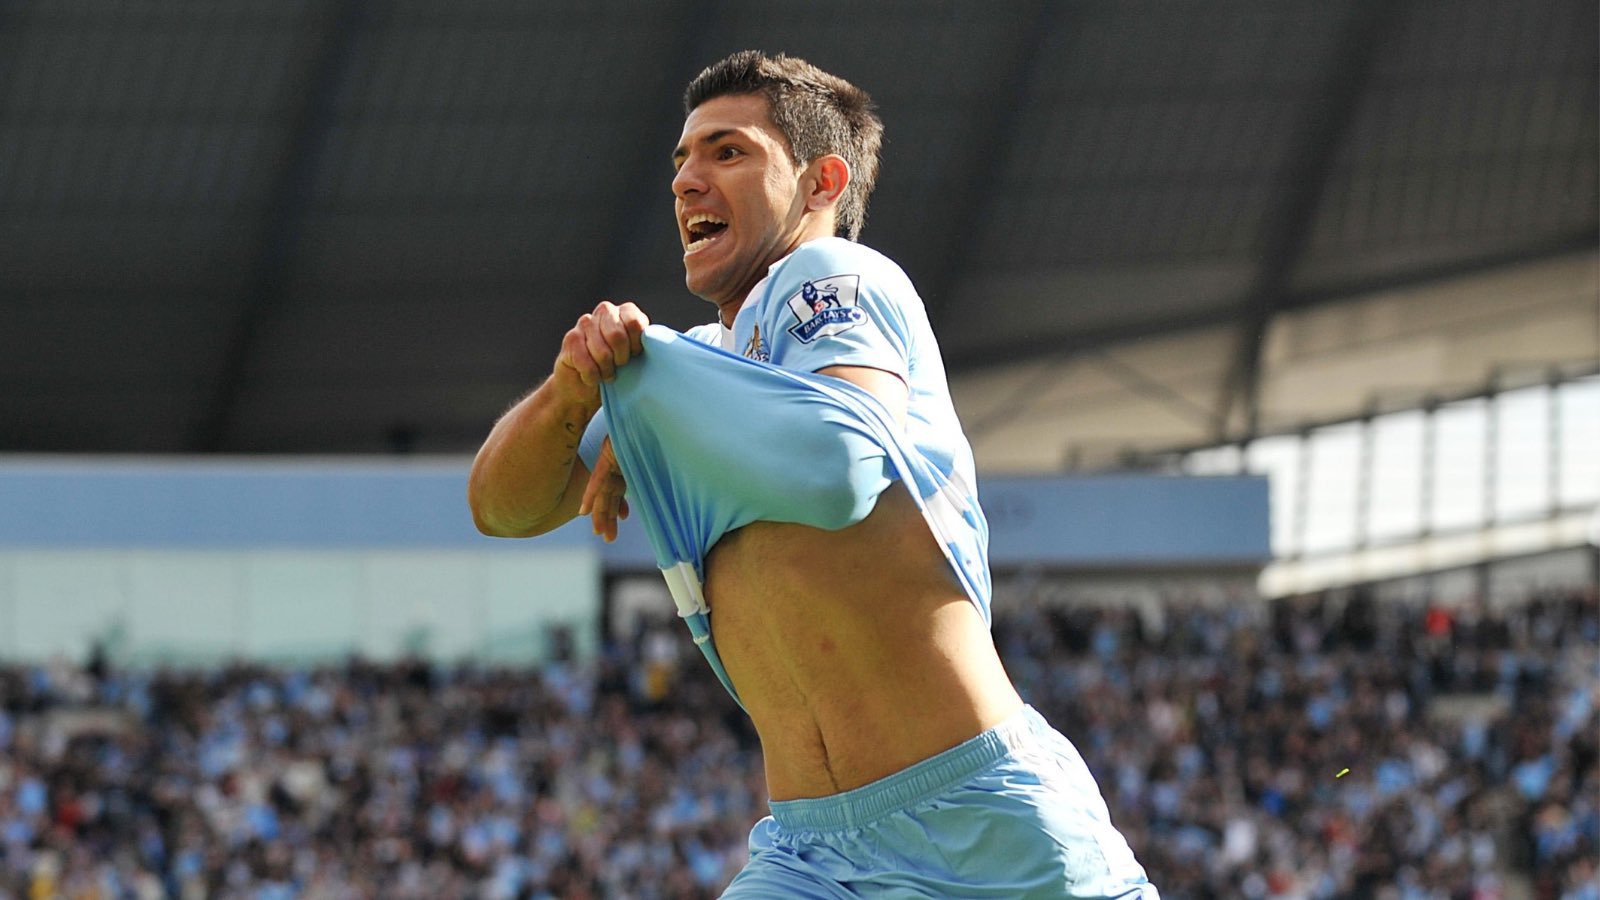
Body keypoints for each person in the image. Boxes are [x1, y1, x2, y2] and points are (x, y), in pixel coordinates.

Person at [469, 50, 1158, 898]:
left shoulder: (832, 276)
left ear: (821, 182)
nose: (685, 180)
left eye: (728, 151)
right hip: (811, 856)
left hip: (983, 826)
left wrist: (654, 380)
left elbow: (837, 470)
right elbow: (502, 508)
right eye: (681, 160)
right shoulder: (697, 373)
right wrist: (575, 387)